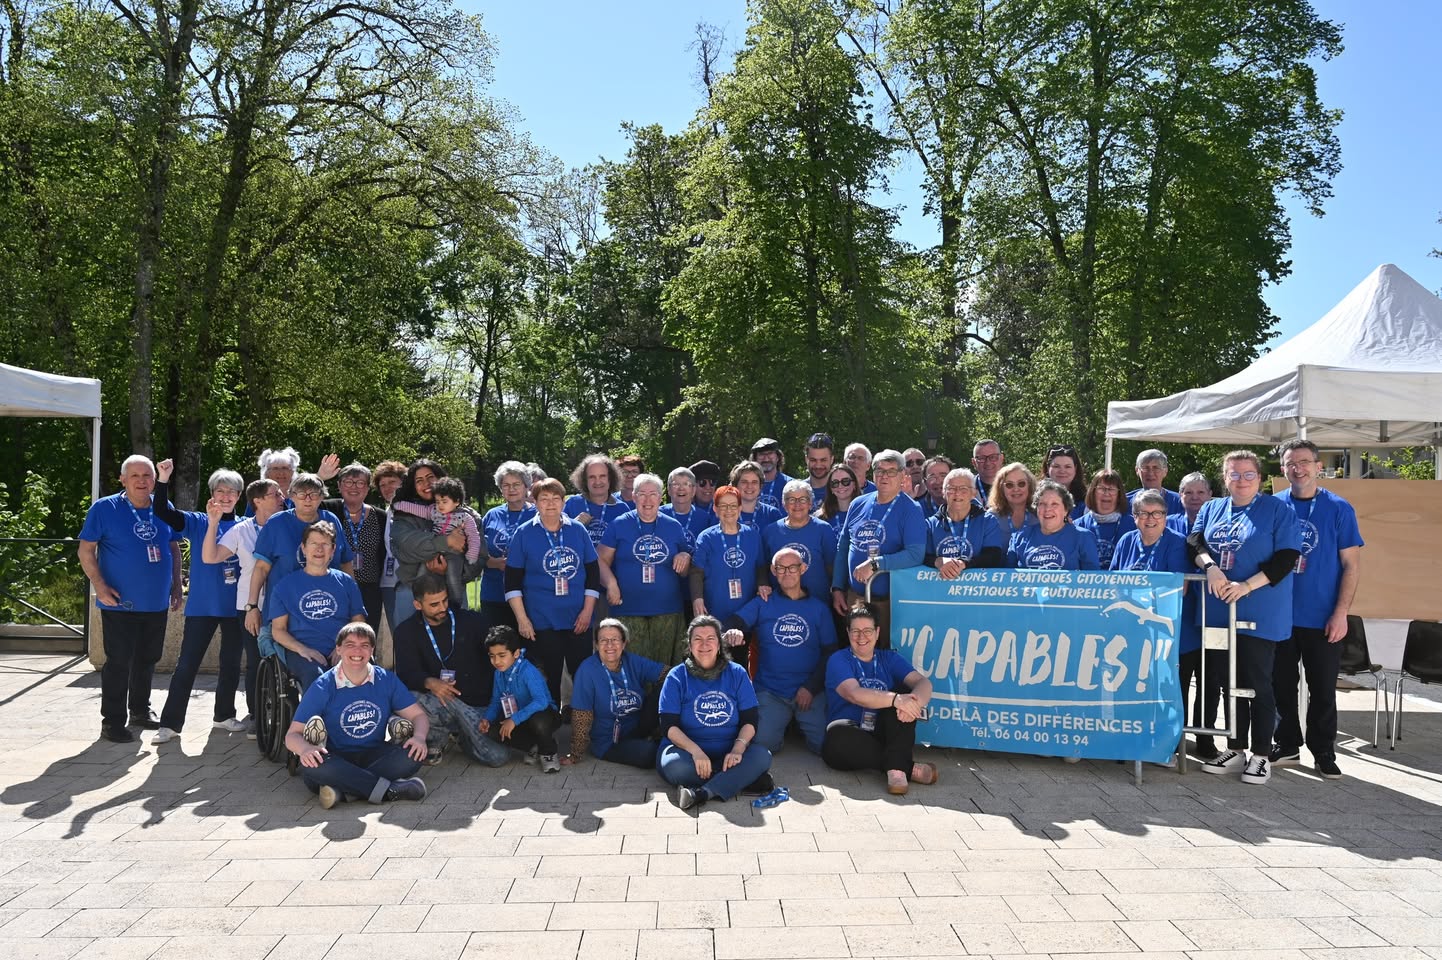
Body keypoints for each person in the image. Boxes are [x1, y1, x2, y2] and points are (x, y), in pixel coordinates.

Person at [1189, 450, 1302, 785]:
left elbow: (1286, 558)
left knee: (1258, 683)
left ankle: (1262, 753)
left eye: (1248, 474)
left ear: (1260, 477)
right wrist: (1209, 567)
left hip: (1259, 612)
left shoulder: (1278, 510)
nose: (1241, 480)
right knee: (1228, 681)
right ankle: (1236, 748)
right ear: (1225, 477)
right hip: (1219, 612)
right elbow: (1194, 542)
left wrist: (1246, 586)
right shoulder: (1211, 508)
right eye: (1234, 474)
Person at [1271, 439, 1363, 780]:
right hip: (1279, 615)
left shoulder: (1339, 509)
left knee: (1323, 687)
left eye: (1305, 462)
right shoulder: (1273, 506)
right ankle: (1287, 744)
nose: (1299, 468)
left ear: (1318, 466)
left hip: (1323, 617)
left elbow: (1351, 566)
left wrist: (1340, 613)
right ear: (1283, 468)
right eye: (1291, 463)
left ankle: (1323, 750)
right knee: (1280, 683)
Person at [78, 455, 184, 742]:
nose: (142, 481)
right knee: (119, 661)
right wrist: (99, 586)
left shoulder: (164, 507)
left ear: (155, 480)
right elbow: (85, 551)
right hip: (118, 602)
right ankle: (112, 722)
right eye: (135, 476)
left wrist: (176, 584)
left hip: (156, 601)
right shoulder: (104, 508)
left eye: (147, 476)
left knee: (148, 659)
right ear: (123, 480)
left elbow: (173, 547)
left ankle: (139, 710)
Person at [149, 462, 248, 744]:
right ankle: (170, 724)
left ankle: (224, 715)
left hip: (236, 608)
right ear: (212, 494)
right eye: (221, 491)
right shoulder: (197, 521)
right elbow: (162, 511)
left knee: (230, 665)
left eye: (232, 492)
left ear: (239, 496)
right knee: (186, 665)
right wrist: (164, 479)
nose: (226, 496)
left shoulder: (246, 526)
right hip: (202, 607)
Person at [285, 622, 430, 808]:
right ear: (338, 649)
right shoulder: (323, 685)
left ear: (372, 650)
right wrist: (305, 749)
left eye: (364, 645)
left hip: (374, 753)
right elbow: (292, 735)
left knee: (413, 755)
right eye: (350, 645)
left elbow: (419, 716)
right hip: (335, 757)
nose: (357, 651)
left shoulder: (386, 679)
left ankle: (345, 790)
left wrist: (419, 737)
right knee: (314, 765)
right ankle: (389, 790)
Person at [723, 548, 836, 754]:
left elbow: (830, 653)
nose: (786, 573)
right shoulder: (763, 602)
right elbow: (734, 622)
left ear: (803, 568)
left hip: (808, 691)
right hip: (771, 691)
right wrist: (732, 630)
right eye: (780, 568)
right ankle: (783, 724)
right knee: (762, 745)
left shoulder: (819, 608)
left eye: (792, 567)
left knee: (827, 747)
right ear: (773, 572)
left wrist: (811, 687)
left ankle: (796, 723)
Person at [1111, 489, 1196, 759]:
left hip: (1165, 633)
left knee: (1165, 690)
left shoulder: (1177, 542)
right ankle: (1127, 742)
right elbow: (1114, 580)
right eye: (1143, 513)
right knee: (1129, 686)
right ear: (1134, 517)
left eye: (1157, 513)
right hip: (1130, 632)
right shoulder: (1126, 540)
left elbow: (1178, 588)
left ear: (1166, 516)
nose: (1150, 519)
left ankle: (1165, 747)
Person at [393, 572, 509, 767]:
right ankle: (437, 739)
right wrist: (429, 682)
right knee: (407, 697)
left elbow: (499, 651)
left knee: (499, 758)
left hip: (477, 705)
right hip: (437, 702)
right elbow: (405, 673)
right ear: (418, 605)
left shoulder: (473, 621)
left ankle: (463, 736)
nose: (442, 608)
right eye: (434, 604)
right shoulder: (405, 632)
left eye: (444, 601)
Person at [657, 616, 773, 810]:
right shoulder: (676, 676)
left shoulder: (737, 673)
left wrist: (738, 749)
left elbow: (750, 721)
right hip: (686, 752)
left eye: (710, 638)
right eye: (697, 639)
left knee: (763, 756)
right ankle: (739, 779)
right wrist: (696, 751)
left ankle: (702, 793)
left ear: (719, 644)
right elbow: (668, 726)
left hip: (729, 751)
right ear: (689, 645)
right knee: (674, 766)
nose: (704, 644)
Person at [823, 603, 938, 795]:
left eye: (867, 630)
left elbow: (923, 683)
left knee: (906, 694)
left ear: (877, 632)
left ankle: (896, 768)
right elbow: (854, 694)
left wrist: (914, 703)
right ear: (847, 632)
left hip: (882, 731)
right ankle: (902, 768)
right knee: (838, 741)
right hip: (848, 732)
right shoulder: (839, 659)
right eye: (855, 631)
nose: (861, 637)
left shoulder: (889, 658)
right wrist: (896, 700)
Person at [505, 478, 602, 706]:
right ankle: (549, 727)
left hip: (578, 618)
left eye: (555, 498)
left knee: (581, 675)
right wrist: (522, 620)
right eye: (544, 499)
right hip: (541, 620)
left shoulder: (577, 530)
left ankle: (580, 723)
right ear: (535, 502)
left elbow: (593, 574)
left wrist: (588, 612)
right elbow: (512, 582)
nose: (550, 504)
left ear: (564, 502)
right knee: (548, 676)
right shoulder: (524, 533)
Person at [206, 478, 287, 736]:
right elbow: (210, 557)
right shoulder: (241, 530)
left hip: (284, 604)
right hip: (249, 606)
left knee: (284, 661)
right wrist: (212, 523)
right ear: (258, 501)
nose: (281, 498)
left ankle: (283, 713)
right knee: (256, 662)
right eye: (275, 494)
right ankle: (257, 715)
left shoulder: (288, 525)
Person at [247, 474, 354, 653]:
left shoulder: (331, 521)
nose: (307, 499)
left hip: (327, 607)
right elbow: (261, 568)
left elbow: (345, 562)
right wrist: (251, 606)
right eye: (301, 494)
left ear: (322, 496)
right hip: (286, 611)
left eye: (313, 494)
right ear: (291, 496)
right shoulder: (277, 523)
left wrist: (352, 600)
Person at [831, 449, 926, 650]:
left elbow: (915, 554)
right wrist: (838, 587)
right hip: (855, 597)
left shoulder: (911, 509)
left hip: (888, 603)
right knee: (857, 653)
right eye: (879, 470)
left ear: (902, 476)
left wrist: (877, 564)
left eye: (891, 471)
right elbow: (843, 547)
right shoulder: (858, 503)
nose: (884, 476)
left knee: (883, 655)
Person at [599, 473, 692, 664]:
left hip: (668, 611)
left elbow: (685, 571)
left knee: (665, 669)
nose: (648, 500)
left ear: (660, 497)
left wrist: (685, 557)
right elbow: (600, 560)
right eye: (642, 494)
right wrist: (611, 583)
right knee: (632, 669)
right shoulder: (619, 524)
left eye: (653, 494)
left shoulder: (673, 526)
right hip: (627, 610)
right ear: (633, 496)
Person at [270, 521, 368, 690]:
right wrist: (303, 650)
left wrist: (345, 647)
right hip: (302, 651)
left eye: (325, 544)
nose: (319, 549)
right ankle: (315, 717)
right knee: (317, 677)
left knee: (365, 672)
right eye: (314, 543)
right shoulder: (285, 586)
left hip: (342, 648)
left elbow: (359, 622)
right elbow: (278, 630)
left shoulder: (346, 582)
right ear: (303, 548)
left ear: (333, 549)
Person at [565, 618, 666, 768]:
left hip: (638, 725)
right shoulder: (587, 670)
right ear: (596, 645)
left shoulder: (632, 661)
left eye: (615, 640)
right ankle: (661, 746)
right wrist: (575, 754)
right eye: (603, 640)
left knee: (668, 686)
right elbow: (581, 715)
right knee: (648, 753)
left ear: (624, 644)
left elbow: (670, 674)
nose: (610, 645)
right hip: (609, 740)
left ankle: (674, 739)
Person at [690, 484, 769, 668]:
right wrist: (697, 598)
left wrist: (762, 583)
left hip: (744, 613)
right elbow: (696, 571)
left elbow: (760, 567)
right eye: (723, 506)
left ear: (740, 508)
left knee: (740, 663)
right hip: (715, 610)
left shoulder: (752, 535)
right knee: (714, 663)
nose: (729, 510)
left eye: (733, 505)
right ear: (715, 509)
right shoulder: (707, 537)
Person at [388, 459, 473, 619]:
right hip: (410, 591)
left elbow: (476, 554)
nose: (426, 483)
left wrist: (449, 571)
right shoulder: (404, 514)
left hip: (452, 591)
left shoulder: (464, 514)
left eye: (430, 477)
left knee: (457, 642)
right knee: (408, 643)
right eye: (419, 480)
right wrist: (446, 542)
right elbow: (406, 547)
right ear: (413, 486)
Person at [480, 626, 563, 772]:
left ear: (516, 653)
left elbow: (541, 702)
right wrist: (487, 718)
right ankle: (538, 743)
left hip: (545, 715)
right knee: (492, 731)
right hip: (520, 718)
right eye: (492, 656)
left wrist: (514, 720)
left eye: (502, 655)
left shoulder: (528, 671)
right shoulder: (498, 673)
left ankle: (548, 752)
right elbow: (495, 701)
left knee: (539, 721)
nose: (496, 661)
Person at [321, 462, 388, 639]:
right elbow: (296, 502)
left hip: (369, 588)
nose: (354, 487)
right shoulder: (327, 509)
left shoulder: (381, 516)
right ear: (339, 486)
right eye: (348, 482)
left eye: (360, 483)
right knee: (336, 636)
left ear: (367, 488)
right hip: (335, 586)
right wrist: (320, 477)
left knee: (366, 634)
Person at [480, 462, 537, 629]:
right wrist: (492, 562)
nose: (511, 489)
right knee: (497, 647)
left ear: (526, 486)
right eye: (506, 485)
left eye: (516, 484)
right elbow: (478, 550)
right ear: (500, 488)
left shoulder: (538, 514)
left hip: (529, 596)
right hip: (494, 594)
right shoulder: (492, 515)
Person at [762, 479, 837, 602]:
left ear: (810, 503)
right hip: (780, 603)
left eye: (802, 499)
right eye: (791, 500)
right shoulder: (770, 531)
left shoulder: (823, 529)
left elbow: (832, 567)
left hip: (818, 602)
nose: (797, 505)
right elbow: (764, 567)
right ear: (784, 504)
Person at [925, 468, 1006, 576]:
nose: (957, 493)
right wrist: (938, 561)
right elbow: (921, 556)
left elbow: (993, 557)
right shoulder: (930, 524)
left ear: (973, 493)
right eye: (951, 489)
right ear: (943, 493)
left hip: (976, 589)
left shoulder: (988, 521)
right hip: (940, 588)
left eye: (963, 489)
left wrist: (964, 564)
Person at [1007, 479, 1101, 570]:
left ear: (1066, 509)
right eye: (1042, 504)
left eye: (1054, 504)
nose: (1048, 509)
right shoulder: (1019, 537)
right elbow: (1006, 578)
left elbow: (1092, 580)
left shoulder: (1083, 537)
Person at [372, 460, 408, 632]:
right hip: (388, 582)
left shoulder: (417, 509)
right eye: (382, 485)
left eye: (392, 482)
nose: (387, 488)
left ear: (403, 482)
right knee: (398, 636)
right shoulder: (387, 512)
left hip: (411, 582)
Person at [1074, 470, 1136, 569]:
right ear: (1093, 492)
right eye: (1101, 488)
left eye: (1111, 489)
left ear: (1119, 494)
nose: (1106, 493)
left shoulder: (1134, 525)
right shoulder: (1077, 526)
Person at [566, 453, 630, 547]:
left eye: (602, 476)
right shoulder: (572, 504)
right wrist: (574, 525)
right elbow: (557, 539)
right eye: (592, 477)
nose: (597, 482)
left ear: (610, 478)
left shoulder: (622, 509)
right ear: (584, 480)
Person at [661, 466, 716, 553]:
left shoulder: (705, 519)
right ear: (669, 489)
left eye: (686, 484)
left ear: (693, 490)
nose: (681, 488)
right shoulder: (658, 515)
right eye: (676, 484)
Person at [987, 462, 1038, 541]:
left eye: (1021, 483)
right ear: (1001, 488)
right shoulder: (991, 518)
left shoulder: (1040, 514)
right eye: (1009, 485)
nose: (1016, 489)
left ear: (1030, 485)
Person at [1129, 449, 1185, 515]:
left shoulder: (1179, 502)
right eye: (1145, 468)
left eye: (1156, 468)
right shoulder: (1124, 502)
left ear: (1165, 471)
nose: (1150, 473)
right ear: (1137, 471)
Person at [730, 460, 783, 529]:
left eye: (754, 482)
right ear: (735, 485)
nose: (749, 486)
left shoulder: (772, 514)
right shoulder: (725, 513)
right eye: (744, 482)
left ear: (760, 486)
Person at [1041, 444, 1088, 520]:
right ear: (1048, 467)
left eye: (1067, 467)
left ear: (1075, 468)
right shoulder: (1034, 500)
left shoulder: (1087, 502)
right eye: (1056, 466)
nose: (1062, 471)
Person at [816, 464, 861, 536]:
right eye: (835, 483)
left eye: (845, 481)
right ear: (830, 488)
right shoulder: (820, 517)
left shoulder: (865, 513)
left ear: (854, 485)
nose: (840, 486)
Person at [750, 438, 792, 510]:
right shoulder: (745, 486)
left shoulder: (790, 485)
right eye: (761, 454)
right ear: (755, 459)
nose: (766, 459)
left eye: (770, 453)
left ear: (778, 457)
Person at [1168, 472, 1213, 538]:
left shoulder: (1219, 524)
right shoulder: (1168, 524)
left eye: (1200, 492)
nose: (1194, 497)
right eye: (1189, 493)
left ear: (1209, 494)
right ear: (1180, 495)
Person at [802, 433, 836, 506]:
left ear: (832, 459)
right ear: (806, 459)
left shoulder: (841, 491)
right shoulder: (797, 492)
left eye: (823, 460)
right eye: (813, 460)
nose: (818, 465)